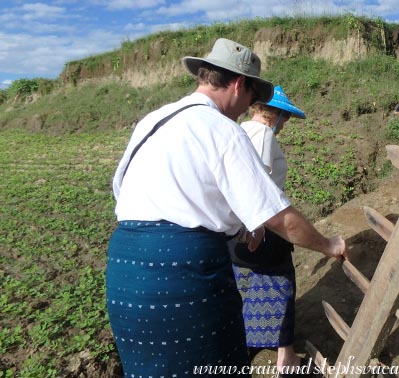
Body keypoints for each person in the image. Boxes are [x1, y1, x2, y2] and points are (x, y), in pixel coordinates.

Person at [106, 38, 347, 377]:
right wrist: (328, 244)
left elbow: (125, 190)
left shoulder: (153, 121)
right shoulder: (222, 129)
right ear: (237, 84)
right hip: (183, 273)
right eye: (250, 96)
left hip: (124, 270)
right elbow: (278, 216)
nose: (246, 106)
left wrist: (239, 220)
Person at [228, 86, 310, 375]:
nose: (284, 124)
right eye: (284, 117)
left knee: (247, 282)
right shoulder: (262, 134)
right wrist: (259, 225)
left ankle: (250, 339)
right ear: (272, 114)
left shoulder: (239, 130)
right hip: (260, 223)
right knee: (283, 279)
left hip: (236, 228)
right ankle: (286, 357)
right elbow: (257, 179)